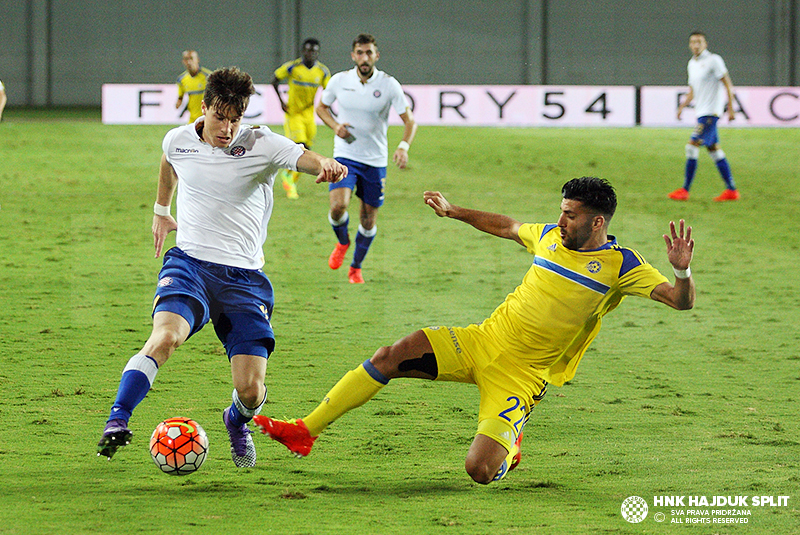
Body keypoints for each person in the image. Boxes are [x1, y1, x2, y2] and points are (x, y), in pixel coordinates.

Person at [254, 177, 696, 484]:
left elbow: (680, 301)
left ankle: (510, 448)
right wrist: (452, 211)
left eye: (570, 216)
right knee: (393, 353)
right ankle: (305, 431)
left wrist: (683, 272)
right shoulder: (547, 237)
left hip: (520, 376)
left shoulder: (623, 265)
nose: (560, 222)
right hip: (481, 340)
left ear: (597, 222)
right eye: (561, 212)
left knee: (479, 472)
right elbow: (505, 225)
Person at [96, 67, 348, 468]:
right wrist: (162, 210)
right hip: (190, 264)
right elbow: (169, 160)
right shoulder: (179, 139)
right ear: (204, 107)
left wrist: (326, 164)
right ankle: (117, 420)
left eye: (235, 118)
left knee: (250, 389)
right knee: (164, 337)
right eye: (220, 117)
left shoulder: (263, 143)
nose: (228, 128)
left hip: (243, 278)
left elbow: (302, 156)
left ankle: (236, 421)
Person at [316, 33, 417, 284]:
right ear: (353, 56)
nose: (364, 58)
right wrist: (335, 126)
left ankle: (356, 267)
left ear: (376, 56)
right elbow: (321, 107)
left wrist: (403, 146)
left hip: (375, 159)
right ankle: (342, 242)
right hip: (345, 155)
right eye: (360, 53)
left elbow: (409, 120)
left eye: (369, 53)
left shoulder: (389, 85)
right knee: (338, 206)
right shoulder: (340, 80)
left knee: (368, 219)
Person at [669, 31, 739, 202]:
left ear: (705, 44)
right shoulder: (691, 64)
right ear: (689, 45)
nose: (696, 45)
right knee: (714, 150)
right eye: (693, 42)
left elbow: (728, 84)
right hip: (701, 112)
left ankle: (685, 190)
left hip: (711, 113)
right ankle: (731, 190)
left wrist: (731, 108)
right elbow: (693, 90)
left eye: (699, 42)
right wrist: (682, 106)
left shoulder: (714, 60)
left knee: (691, 146)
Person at [272, 38, 331, 199]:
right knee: (300, 146)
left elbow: (329, 91)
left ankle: (290, 178)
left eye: (314, 51)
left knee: (308, 150)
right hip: (294, 115)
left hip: (309, 115)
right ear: (302, 51)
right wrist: (282, 101)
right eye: (308, 50)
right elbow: (275, 80)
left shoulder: (322, 71)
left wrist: (327, 106)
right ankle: (288, 179)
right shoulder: (293, 67)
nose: (311, 53)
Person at [175, 50, 213, 123]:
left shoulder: (208, 77)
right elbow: (180, 97)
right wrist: (178, 102)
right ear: (183, 61)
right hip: (192, 119)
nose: (189, 62)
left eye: (191, 58)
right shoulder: (182, 79)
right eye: (186, 59)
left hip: (207, 118)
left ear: (197, 60)